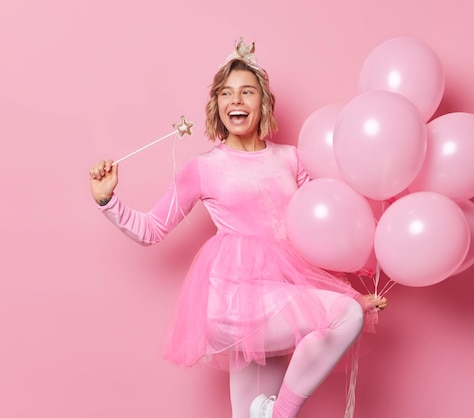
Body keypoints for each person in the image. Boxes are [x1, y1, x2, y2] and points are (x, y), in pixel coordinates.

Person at [89, 38, 387, 418]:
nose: (236, 101)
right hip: (231, 302)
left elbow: (320, 232)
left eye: (247, 92)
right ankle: (281, 414)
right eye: (226, 93)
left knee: (249, 412)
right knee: (343, 317)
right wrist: (107, 201)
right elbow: (152, 229)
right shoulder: (204, 168)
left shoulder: (290, 159)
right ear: (216, 105)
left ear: (263, 102)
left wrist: (353, 286)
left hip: (280, 297)